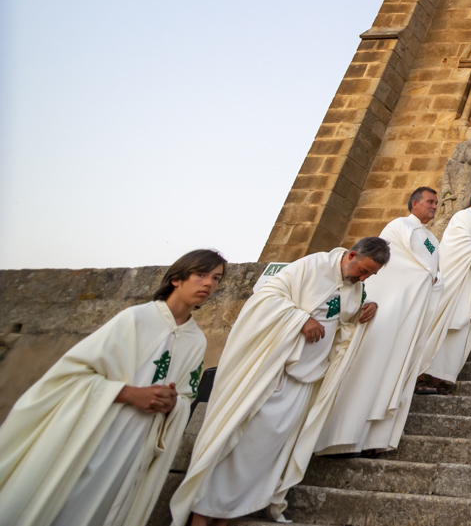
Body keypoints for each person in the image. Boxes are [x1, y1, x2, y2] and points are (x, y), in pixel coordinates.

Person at [0, 249, 225, 526]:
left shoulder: (196, 341)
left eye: (216, 278)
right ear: (177, 278)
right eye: (201, 275)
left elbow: (186, 396)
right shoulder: (135, 319)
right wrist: (129, 393)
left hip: (135, 448)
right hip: (96, 435)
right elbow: (70, 375)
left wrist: (173, 405)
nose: (209, 284)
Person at [172, 237, 388, 526]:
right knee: (237, 440)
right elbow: (267, 294)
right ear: (350, 255)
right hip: (273, 374)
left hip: (304, 382)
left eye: (370, 276)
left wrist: (368, 305)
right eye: (362, 271)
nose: (363, 278)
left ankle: (227, 516)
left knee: (265, 452)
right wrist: (299, 318)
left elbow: (345, 318)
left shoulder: (355, 287)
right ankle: (200, 516)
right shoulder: (311, 267)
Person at [317, 188, 444, 455]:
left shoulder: (432, 238)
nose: (435, 206)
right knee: (370, 367)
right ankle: (343, 438)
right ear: (414, 203)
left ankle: (373, 439)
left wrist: (434, 279)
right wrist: (426, 275)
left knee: (395, 368)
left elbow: (434, 273)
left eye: (436, 202)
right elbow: (392, 264)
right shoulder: (398, 227)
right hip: (388, 309)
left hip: (411, 314)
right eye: (430, 202)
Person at [419, 185, 471, 394]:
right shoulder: (462, 218)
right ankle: (422, 375)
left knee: (459, 333)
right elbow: (457, 246)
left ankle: (443, 378)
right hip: (457, 283)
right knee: (444, 325)